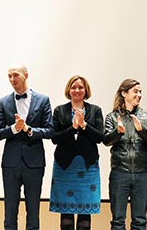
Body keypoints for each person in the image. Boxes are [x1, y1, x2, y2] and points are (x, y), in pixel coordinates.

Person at [0, 64, 53, 230]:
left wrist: (28, 129)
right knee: (10, 210)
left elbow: (50, 130)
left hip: (34, 162)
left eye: (16, 75)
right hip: (11, 163)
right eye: (9, 76)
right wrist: (14, 128)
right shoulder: (4, 101)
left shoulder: (43, 100)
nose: (12, 79)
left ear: (26, 75)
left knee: (33, 210)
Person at [103, 78, 147, 230]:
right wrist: (118, 132)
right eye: (135, 91)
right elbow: (106, 140)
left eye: (140, 92)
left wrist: (142, 130)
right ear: (124, 93)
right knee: (118, 220)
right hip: (120, 173)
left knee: (140, 221)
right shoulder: (112, 117)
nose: (139, 95)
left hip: (143, 173)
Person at [49, 75, 104, 230]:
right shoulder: (60, 110)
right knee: (66, 219)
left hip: (88, 167)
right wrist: (72, 128)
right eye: (74, 87)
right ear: (69, 90)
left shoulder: (95, 110)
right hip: (64, 167)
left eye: (80, 87)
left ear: (86, 90)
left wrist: (84, 125)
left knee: (84, 220)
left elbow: (100, 137)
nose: (77, 90)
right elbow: (54, 138)